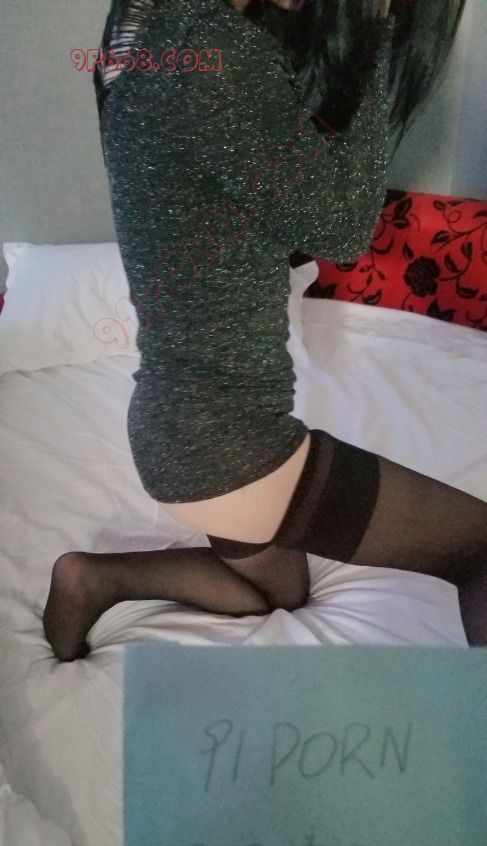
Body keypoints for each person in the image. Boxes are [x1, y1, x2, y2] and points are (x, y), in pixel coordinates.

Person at [44, 0, 486, 663]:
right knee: (479, 549)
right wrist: (376, 36)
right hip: (233, 447)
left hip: (174, 430)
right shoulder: (220, 50)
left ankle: (95, 578)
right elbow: (343, 231)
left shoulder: (140, 34)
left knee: (278, 594)